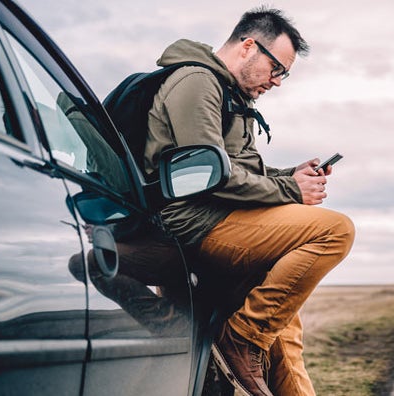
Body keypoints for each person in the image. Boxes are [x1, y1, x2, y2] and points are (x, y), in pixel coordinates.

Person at [141, 7, 355, 396]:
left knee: (284, 330)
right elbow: (206, 176)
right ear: (248, 47)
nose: (277, 82)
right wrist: (293, 191)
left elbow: (239, 171)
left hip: (227, 219)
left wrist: (289, 175)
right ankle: (242, 337)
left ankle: (253, 337)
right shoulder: (196, 82)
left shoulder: (230, 94)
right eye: (277, 69)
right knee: (336, 230)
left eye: (283, 74)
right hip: (197, 222)